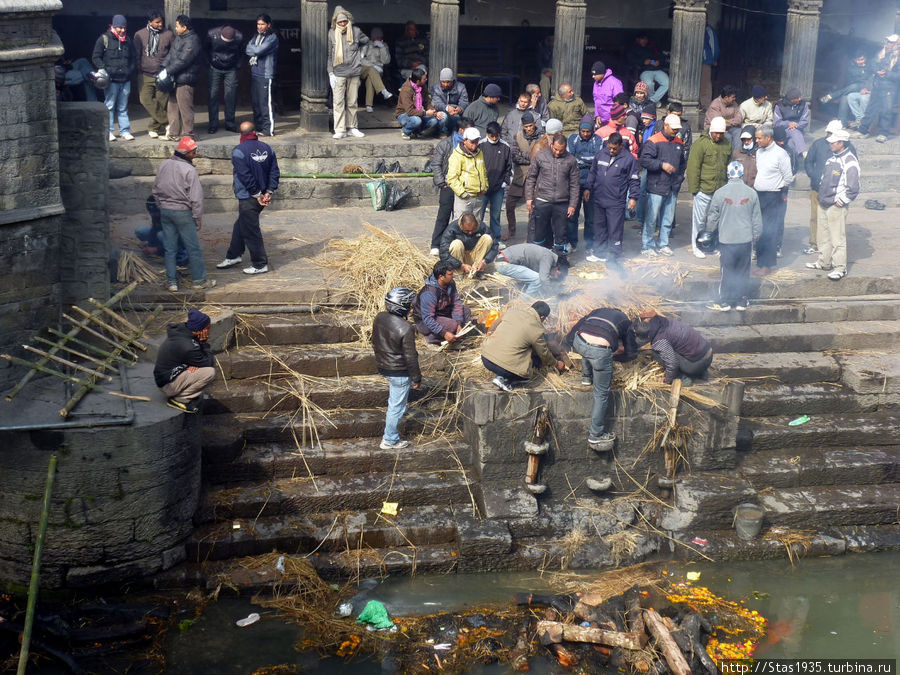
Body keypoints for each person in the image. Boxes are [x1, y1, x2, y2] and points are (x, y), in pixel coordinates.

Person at [565, 307, 638, 449]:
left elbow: (570, 336)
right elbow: (631, 353)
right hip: (599, 352)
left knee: (588, 349)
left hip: (579, 343)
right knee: (601, 394)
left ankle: (586, 377)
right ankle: (595, 435)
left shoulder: (597, 311)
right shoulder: (626, 321)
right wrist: (613, 356)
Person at [151, 137, 216, 292]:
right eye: (194, 151)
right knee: (193, 248)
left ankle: (172, 282)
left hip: (166, 210)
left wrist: (162, 205)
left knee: (169, 249)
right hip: (183, 212)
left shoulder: (164, 164)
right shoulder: (189, 170)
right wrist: (197, 216)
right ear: (187, 153)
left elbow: (155, 189)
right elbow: (196, 197)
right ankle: (199, 280)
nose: (195, 154)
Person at [215, 122, 280, 275]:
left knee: (251, 231)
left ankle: (259, 264)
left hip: (248, 196)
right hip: (263, 195)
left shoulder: (239, 151)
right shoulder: (268, 148)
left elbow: (245, 176)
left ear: (241, 134)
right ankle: (234, 255)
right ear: (255, 132)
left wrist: (257, 194)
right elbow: (274, 172)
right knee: (241, 225)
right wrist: (268, 192)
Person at [704, 161, 762, 311]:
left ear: (728, 174)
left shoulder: (720, 193)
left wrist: (709, 232)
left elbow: (712, 217)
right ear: (742, 174)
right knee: (743, 270)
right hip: (745, 239)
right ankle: (742, 300)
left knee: (727, 271)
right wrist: (756, 235)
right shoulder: (752, 193)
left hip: (726, 239)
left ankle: (726, 301)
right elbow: (757, 219)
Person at [805, 128, 860, 281]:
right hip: (824, 203)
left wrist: (839, 203)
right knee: (823, 237)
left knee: (837, 239)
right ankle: (824, 262)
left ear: (842, 143)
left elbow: (853, 188)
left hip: (836, 206)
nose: (830, 144)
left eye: (833, 142)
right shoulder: (832, 159)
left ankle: (840, 268)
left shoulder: (850, 161)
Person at [372, 287, 421, 450]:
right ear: (403, 306)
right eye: (409, 304)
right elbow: (410, 357)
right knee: (396, 407)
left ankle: (390, 437)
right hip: (398, 372)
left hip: (384, 366)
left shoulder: (380, 317)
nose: (411, 307)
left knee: (394, 403)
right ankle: (390, 440)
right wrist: (416, 378)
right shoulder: (406, 328)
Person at [481, 301, 564, 392]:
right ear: (542, 317)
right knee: (526, 375)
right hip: (504, 367)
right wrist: (556, 364)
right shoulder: (537, 329)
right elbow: (544, 353)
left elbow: (494, 325)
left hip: (485, 358)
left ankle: (501, 376)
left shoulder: (512, 311)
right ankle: (506, 381)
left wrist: (489, 334)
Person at [585, 132, 640, 264]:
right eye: (609, 147)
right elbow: (593, 172)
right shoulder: (601, 154)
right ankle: (599, 253)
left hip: (616, 200)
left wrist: (633, 197)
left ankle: (615, 256)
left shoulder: (629, 159)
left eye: (614, 148)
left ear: (621, 146)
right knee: (599, 227)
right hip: (599, 198)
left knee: (615, 229)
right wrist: (588, 187)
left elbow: (634, 180)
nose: (611, 150)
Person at [526, 132, 580, 257]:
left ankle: (560, 260)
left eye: (561, 151)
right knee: (539, 233)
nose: (557, 153)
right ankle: (537, 258)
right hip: (542, 200)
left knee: (561, 234)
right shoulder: (540, 156)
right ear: (551, 145)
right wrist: (529, 198)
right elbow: (531, 178)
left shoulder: (571, 160)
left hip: (562, 202)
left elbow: (575, 185)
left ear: (565, 147)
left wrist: (572, 205)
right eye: (555, 149)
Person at [640, 114, 686, 257]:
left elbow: (682, 164)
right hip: (656, 185)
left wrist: (678, 181)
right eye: (673, 129)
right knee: (652, 218)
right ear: (665, 126)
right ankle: (647, 245)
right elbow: (645, 160)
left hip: (672, 186)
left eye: (677, 129)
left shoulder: (679, 142)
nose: (675, 131)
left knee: (668, 218)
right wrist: (661, 165)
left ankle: (663, 244)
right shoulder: (653, 141)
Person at [154, 309, 217, 413]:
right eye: (208, 328)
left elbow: (195, 358)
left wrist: (191, 365)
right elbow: (209, 363)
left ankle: (181, 392)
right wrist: (205, 343)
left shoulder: (183, 332)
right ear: (201, 330)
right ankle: (180, 399)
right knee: (209, 372)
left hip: (165, 376)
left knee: (200, 366)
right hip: (168, 385)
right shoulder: (188, 346)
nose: (209, 331)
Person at [686, 116, 731, 258]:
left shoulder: (727, 144)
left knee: (716, 222)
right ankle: (697, 246)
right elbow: (693, 168)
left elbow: (728, 166)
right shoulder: (700, 144)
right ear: (711, 130)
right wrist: (695, 190)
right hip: (703, 190)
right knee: (699, 221)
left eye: (721, 133)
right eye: (716, 133)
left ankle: (712, 245)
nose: (718, 136)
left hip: (720, 190)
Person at [751, 125, 793, 277]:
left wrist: (781, 191)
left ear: (768, 138)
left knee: (769, 231)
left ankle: (767, 265)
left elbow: (788, 176)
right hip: (759, 195)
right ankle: (760, 263)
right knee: (759, 230)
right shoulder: (759, 152)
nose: (757, 141)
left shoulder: (781, 154)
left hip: (773, 197)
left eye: (759, 138)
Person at [633, 312, 713, 387]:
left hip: (697, 363)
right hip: (706, 352)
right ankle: (700, 372)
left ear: (648, 337)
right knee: (673, 348)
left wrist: (668, 380)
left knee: (656, 354)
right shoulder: (659, 320)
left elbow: (672, 364)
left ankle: (684, 377)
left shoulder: (660, 341)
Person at [430, 117, 472, 255]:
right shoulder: (446, 144)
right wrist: (441, 182)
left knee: (462, 216)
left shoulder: (471, 145)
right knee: (444, 215)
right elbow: (436, 164)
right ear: (461, 130)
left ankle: (459, 244)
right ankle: (436, 244)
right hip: (448, 186)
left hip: (464, 186)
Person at [92, 14, 136, 142]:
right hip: (111, 80)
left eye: (124, 27)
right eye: (120, 28)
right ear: (113, 26)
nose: (122, 30)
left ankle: (125, 131)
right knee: (109, 106)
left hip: (125, 79)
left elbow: (133, 58)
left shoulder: (128, 40)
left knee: (123, 107)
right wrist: (105, 69)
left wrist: (130, 70)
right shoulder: (103, 39)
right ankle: (109, 131)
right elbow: (96, 57)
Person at [327, 7, 368, 140]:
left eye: (345, 21)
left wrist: (362, 55)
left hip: (354, 71)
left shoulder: (356, 31)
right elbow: (329, 54)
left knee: (352, 101)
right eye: (340, 22)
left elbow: (366, 41)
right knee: (338, 102)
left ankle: (352, 127)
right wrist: (330, 73)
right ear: (335, 22)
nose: (343, 24)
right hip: (338, 72)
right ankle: (339, 129)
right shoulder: (332, 33)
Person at [133, 10, 173, 139]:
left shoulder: (168, 35)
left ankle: (153, 128)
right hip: (145, 74)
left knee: (161, 102)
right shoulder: (139, 34)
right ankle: (167, 123)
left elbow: (173, 54)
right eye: (157, 22)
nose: (160, 24)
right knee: (144, 99)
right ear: (149, 22)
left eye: (161, 21)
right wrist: (139, 70)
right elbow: (137, 54)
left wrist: (167, 69)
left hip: (162, 74)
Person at [162, 15, 202, 140]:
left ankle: (188, 134)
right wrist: (163, 67)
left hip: (185, 78)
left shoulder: (193, 40)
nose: (175, 28)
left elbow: (184, 61)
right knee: (172, 105)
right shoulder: (180, 38)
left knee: (185, 108)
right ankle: (173, 133)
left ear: (184, 27)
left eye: (177, 26)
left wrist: (168, 71)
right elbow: (171, 54)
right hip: (174, 77)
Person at [413, 260, 472, 345]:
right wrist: (443, 333)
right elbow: (428, 318)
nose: (453, 276)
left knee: (466, 310)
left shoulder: (450, 283)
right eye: (450, 274)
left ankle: (454, 333)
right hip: (425, 321)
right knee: (453, 325)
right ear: (441, 277)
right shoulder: (429, 293)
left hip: (443, 313)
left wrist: (459, 322)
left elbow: (456, 302)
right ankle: (431, 338)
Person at [567, 116, 603, 252]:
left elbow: (597, 159)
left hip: (592, 183)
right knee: (572, 215)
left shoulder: (597, 140)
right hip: (574, 183)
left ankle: (590, 244)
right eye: (583, 131)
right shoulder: (572, 138)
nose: (586, 134)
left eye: (588, 131)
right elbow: (571, 159)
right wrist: (587, 161)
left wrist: (580, 159)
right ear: (579, 130)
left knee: (591, 217)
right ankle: (572, 243)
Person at [506, 112, 542, 241]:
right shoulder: (517, 136)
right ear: (522, 126)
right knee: (509, 205)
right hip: (519, 177)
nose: (529, 129)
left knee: (532, 208)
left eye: (531, 126)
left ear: (535, 124)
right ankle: (511, 231)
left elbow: (541, 158)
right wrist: (531, 156)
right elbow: (515, 156)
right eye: (526, 126)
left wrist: (526, 155)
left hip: (535, 178)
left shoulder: (541, 138)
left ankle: (530, 234)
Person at [857, 34, 899, 143]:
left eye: (892, 42)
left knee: (886, 110)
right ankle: (863, 130)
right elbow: (871, 65)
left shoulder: (898, 57)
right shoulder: (881, 53)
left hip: (890, 88)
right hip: (877, 85)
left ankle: (883, 133)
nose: (889, 44)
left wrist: (887, 74)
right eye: (888, 41)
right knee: (871, 108)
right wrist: (877, 71)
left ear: (897, 44)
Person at [479, 121, 514, 244]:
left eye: (496, 136)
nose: (494, 138)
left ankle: (496, 239)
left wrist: (505, 182)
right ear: (487, 134)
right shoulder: (480, 145)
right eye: (492, 136)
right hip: (482, 188)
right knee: (480, 214)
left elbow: (509, 167)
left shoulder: (505, 147)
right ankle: (480, 238)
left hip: (498, 187)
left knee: (496, 215)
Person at [206, 24, 243, 134]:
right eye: (225, 41)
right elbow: (204, 49)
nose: (227, 43)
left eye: (229, 41)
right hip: (214, 67)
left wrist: (238, 65)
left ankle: (230, 123)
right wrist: (208, 63)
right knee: (213, 95)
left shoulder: (239, 37)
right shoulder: (211, 34)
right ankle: (213, 124)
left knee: (231, 96)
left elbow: (242, 51)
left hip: (231, 68)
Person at [820, 50, 871, 128]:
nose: (860, 62)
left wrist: (865, 87)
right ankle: (842, 123)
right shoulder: (852, 66)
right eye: (858, 60)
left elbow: (869, 79)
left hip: (865, 88)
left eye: (862, 59)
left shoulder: (870, 66)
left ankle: (831, 96)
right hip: (853, 88)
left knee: (853, 87)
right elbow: (851, 80)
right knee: (845, 96)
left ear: (866, 59)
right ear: (854, 60)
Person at [246, 14, 278, 137]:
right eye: (258, 24)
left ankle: (268, 129)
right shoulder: (256, 36)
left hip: (265, 74)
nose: (260, 26)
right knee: (256, 102)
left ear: (268, 25)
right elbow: (247, 49)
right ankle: (259, 127)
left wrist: (255, 49)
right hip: (255, 72)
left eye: (262, 24)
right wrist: (255, 49)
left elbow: (257, 51)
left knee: (265, 103)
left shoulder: (272, 38)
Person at [494, 243, 566, 296]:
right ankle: (524, 302)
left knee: (534, 278)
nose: (554, 277)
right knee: (537, 279)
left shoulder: (547, 254)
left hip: (503, 260)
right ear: (557, 269)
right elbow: (543, 279)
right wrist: (552, 294)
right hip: (503, 263)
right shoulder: (548, 257)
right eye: (557, 275)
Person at [447, 127, 488, 219]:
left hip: (478, 196)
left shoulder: (479, 153)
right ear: (464, 140)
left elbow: (483, 171)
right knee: (460, 223)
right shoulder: (457, 155)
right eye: (472, 142)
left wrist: (485, 186)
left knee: (476, 224)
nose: (475, 145)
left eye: (476, 142)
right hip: (465, 198)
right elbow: (452, 178)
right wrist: (463, 193)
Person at [136, 195, 187, 266]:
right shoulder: (156, 214)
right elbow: (154, 229)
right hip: (166, 236)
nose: (152, 214)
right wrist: (149, 243)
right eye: (150, 212)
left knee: (160, 235)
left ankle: (181, 256)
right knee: (139, 231)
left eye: (154, 212)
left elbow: (176, 242)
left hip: (181, 243)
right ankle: (163, 251)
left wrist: (155, 249)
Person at [395, 67, 439, 139]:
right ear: (418, 81)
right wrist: (425, 113)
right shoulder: (406, 90)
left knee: (433, 120)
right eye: (424, 79)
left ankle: (416, 132)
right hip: (404, 114)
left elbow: (427, 102)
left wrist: (433, 111)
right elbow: (409, 111)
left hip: (417, 113)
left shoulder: (423, 86)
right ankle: (406, 131)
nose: (426, 80)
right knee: (416, 120)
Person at [628, 34, 668, 104]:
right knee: (649, 84)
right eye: (642, 39)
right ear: (638, 40)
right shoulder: (633, 48)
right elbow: (630, 60)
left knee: (667, 83)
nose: (644, 41)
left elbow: (662, 57)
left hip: (657, 69)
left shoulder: (652, 47)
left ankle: (652, 100)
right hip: (645, 71)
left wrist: (659, 62)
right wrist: (643, 62)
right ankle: (653, 101)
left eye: (646, 39)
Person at [360, 27, 393, 113]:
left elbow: (386, 61)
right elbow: (360, 59)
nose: (378, 39)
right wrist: (372, 65)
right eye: (376, 37)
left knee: (371, 78)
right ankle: (383, 91)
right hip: (364, 69)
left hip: (378, 71)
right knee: (371, 70)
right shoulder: (366, 45)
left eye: (380, 37)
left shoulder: (384, 46)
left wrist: (382, 48)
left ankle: (369, 105)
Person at [431, 68, 468, 135]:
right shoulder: (435, 88)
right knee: (443, 116)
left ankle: (455, 132)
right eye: (443, 82)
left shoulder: (461, 87)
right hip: (442, 112)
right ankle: (442, 133)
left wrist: (460, 109)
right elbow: (437, 104)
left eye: (448, 82)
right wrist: (447, 108)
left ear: (452, 81)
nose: (445, 84)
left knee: (459, 117)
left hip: (456, 113)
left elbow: (464, 101)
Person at [773, 87, 810, 155]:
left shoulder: (803, 105)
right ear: (791, 100)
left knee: (792, 144)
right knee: (794, 132)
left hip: (798, 129)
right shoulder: (779, 106)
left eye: (800, 97)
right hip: (783, 130)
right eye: (797, 98)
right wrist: (788, 123)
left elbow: (805, 121)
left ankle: (793, 161)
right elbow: (776, 123)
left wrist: (796, 125)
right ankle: (804, 152)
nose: (800, 99)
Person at [705, 84, 743, 149]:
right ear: (726, 98)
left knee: (739, 132)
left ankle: (736, 156)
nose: (735, 99)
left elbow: (739, 119)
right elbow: (718, 123)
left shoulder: (734, 104)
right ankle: (727, 156)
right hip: (716, 130)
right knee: (728, 137)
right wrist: (732, 121)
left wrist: (727, 121)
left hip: (730, 128)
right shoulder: (715, 105)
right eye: (733, 97)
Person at [591, 61, 623, 125]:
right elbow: (596, 101)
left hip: (612, 121)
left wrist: (615, 119)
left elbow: (620, 103)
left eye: (595, 74)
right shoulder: (596, 83)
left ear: (602, 73)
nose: (593, 76)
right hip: (600, 121)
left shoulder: (615, 83)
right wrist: (597, 115)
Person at [700, 23, 719, 110]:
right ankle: (701, 104)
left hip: (705, 60)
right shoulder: (696, 28)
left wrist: (714, 59)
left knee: (705, 83)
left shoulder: (708, 30)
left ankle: (705, 105)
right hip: (694, 61)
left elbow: (713, 46)